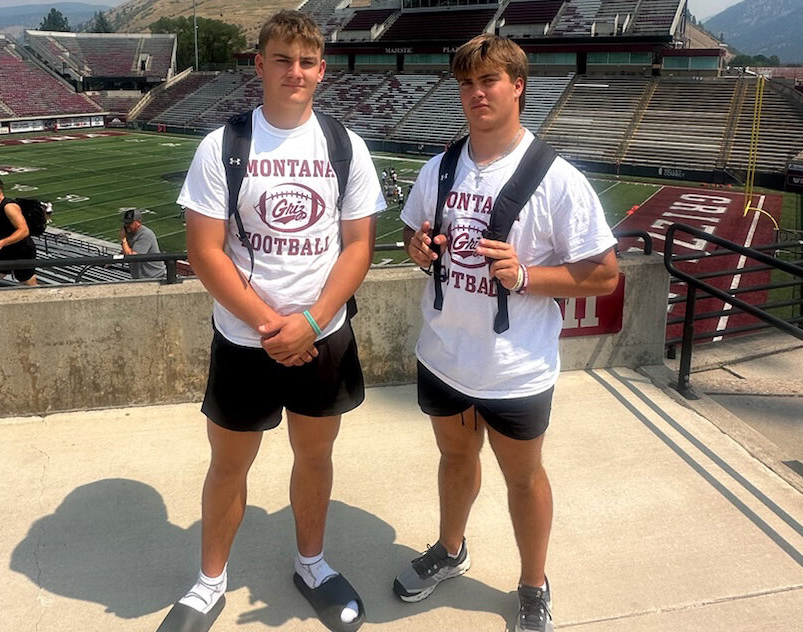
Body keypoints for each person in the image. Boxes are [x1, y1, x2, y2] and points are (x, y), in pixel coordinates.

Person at [158, 9, 384, 632]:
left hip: (322, 336)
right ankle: (209, 583)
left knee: (315, 456)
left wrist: (310, 321)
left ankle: (312, 563)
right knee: (229, 462)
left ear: (322, 71)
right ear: (259, 65)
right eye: (282, 59)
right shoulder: (223, 145)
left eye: (307, 61)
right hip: (243, 337)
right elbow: (205, 252)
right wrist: (269, 324)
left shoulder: (345, 145)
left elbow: (358, 245)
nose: (295, 71)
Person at [395, 34, 620, 632]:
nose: (475, 94)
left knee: (523, 478)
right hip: (443, 354)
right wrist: (419, 250)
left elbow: (603, 276)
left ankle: (532, 583)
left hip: (515, 367)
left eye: (488, 80)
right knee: (453, 458)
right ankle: (451, 548)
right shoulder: (439, 167)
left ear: (517, 86)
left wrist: (525, 274)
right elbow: (419, 240)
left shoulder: (557, 178)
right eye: (466, 83)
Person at [121, 208, 163, 280]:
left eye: (130, 223)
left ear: (139, 223)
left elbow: (132, 257)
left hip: (155, 277)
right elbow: (126, 250)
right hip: (140, 277)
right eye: (125, 223)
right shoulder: (129, 233)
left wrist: (123, 240)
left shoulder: (145, 234)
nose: (126, 225)